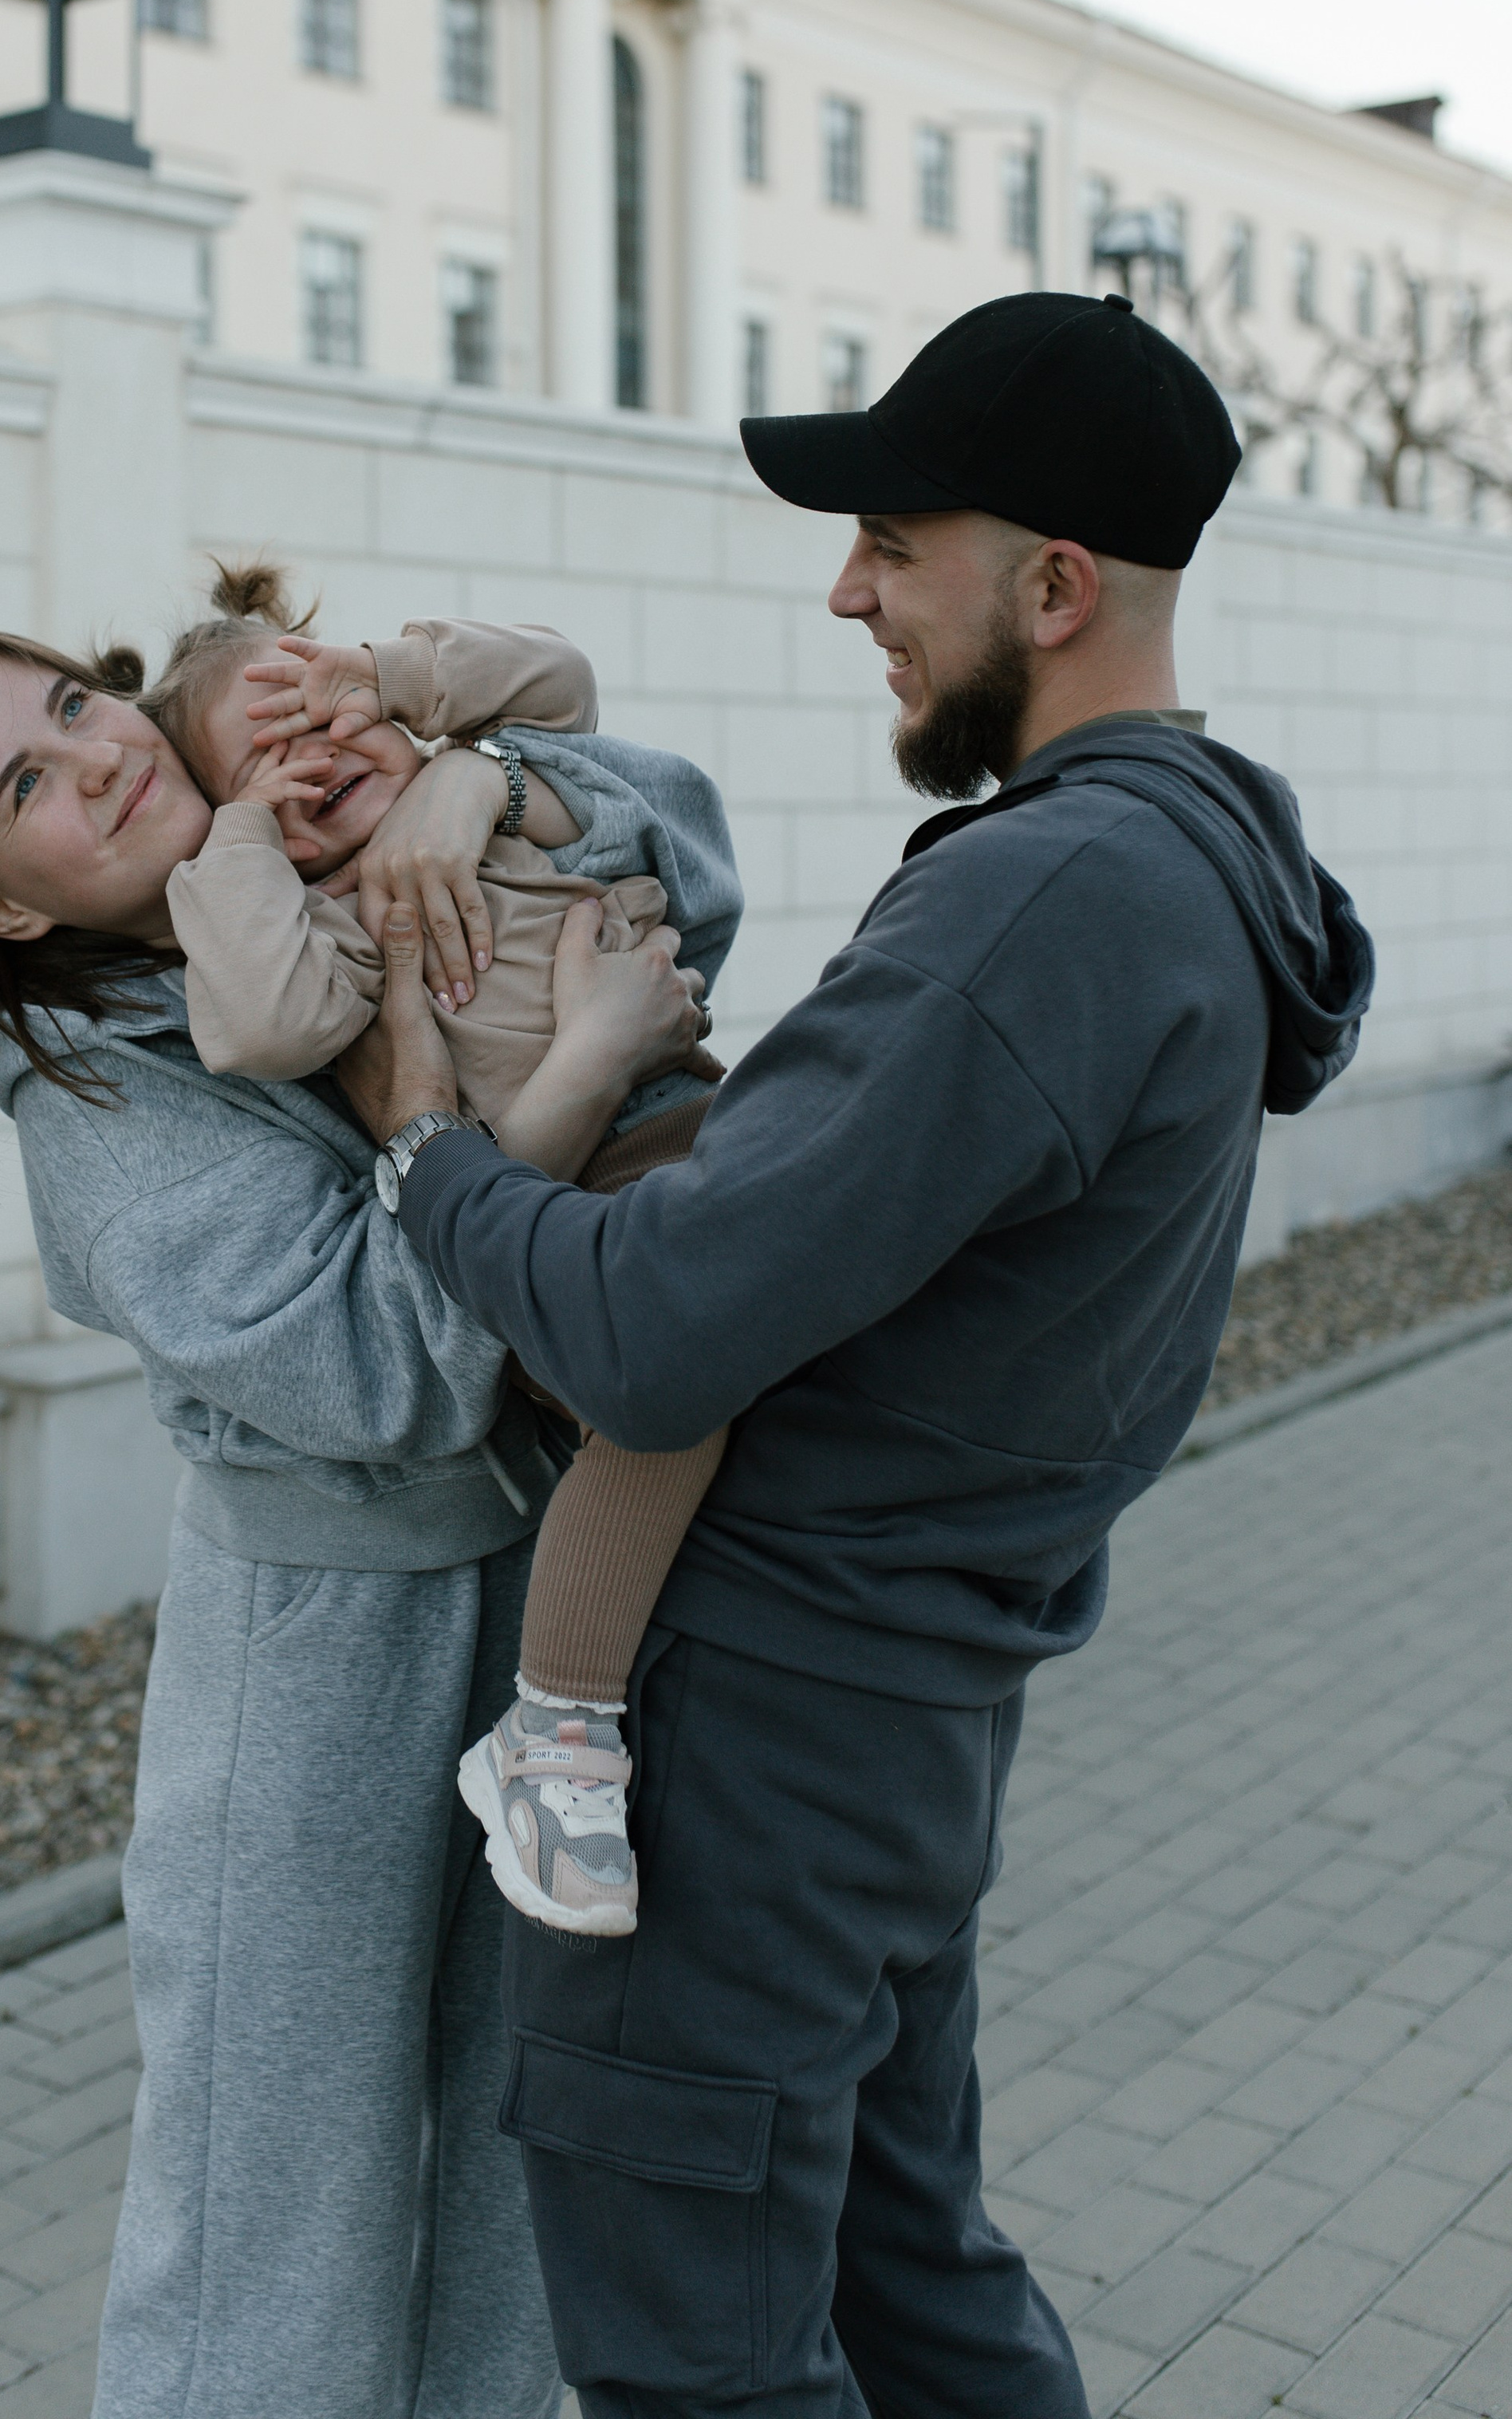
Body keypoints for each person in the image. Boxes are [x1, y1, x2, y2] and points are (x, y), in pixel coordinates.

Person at [346, 290, 1377, 2419]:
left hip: (749, 1746)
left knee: (702, 2360)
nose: (849, 592)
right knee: (911, 2285)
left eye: (894, 544)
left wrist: (426, 1142)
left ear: (1058, 584)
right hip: (900, 1727)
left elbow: (657, 1330)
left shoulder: (1049, 898)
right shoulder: (1197, 862)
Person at [0, 622, 707, 2419]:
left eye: (72, 710)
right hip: (319, 1674)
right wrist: (495, 1108)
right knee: (270, 2231)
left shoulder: (298, 794)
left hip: (550, 1617)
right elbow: (391, 1371)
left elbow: (677, 851)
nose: (94, 760)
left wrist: (474, 782)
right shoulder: (102, 1098)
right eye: (25, 786)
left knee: (513, 2166)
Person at [152, 565, 742, 1936]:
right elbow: (256, 1026)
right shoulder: (335, 931)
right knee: (666, 1392)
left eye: (323, 711)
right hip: (564, 1203)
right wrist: (239, 844)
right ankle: (558, 1728)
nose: (315, 752)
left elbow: (565, 683)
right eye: (264, 759)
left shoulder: (494, 807)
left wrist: (400, 686)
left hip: (697, 1110)